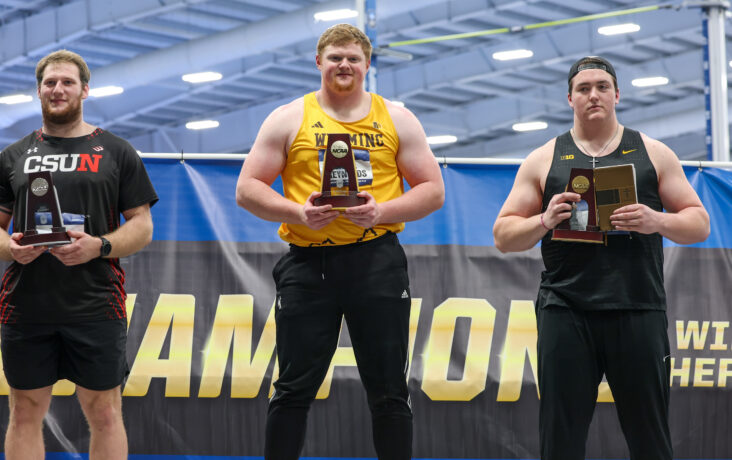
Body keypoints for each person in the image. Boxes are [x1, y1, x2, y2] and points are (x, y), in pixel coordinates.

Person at [236, 23, 444, 460]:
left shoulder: (397, 117)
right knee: (292, 388)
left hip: (377, 261)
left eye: (353, 57)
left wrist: (382, 211)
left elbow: (433, 191)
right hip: (309, 265)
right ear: (319, 62)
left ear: (367, 64)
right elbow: (248, 188)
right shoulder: (289, 117)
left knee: (389, 389)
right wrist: (298, 213)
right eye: (335, 57)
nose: (344, 65)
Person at [493, 56, 710, 460]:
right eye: (584, 88)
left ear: (617, 94)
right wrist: (544, 219)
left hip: (638, 307)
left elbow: (699, 224)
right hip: (566, 310)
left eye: (603, 86)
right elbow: (503, 235)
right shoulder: (544, 158)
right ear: (569, 98)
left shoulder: (653, 152)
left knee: (650, 438)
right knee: (561, 440)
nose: (594, 95)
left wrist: (655, 219)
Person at [0, 49, 158, 460]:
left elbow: (142, 226)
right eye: (49, 83)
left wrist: (100, 246)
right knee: (24, 411)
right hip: (27, 306)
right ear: (39, 91)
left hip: (96, 304)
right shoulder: (12, 156)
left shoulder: (116, 151)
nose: (57, 89)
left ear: (85, 89)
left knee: (105, 413)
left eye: (67, 82)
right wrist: (9, 248)